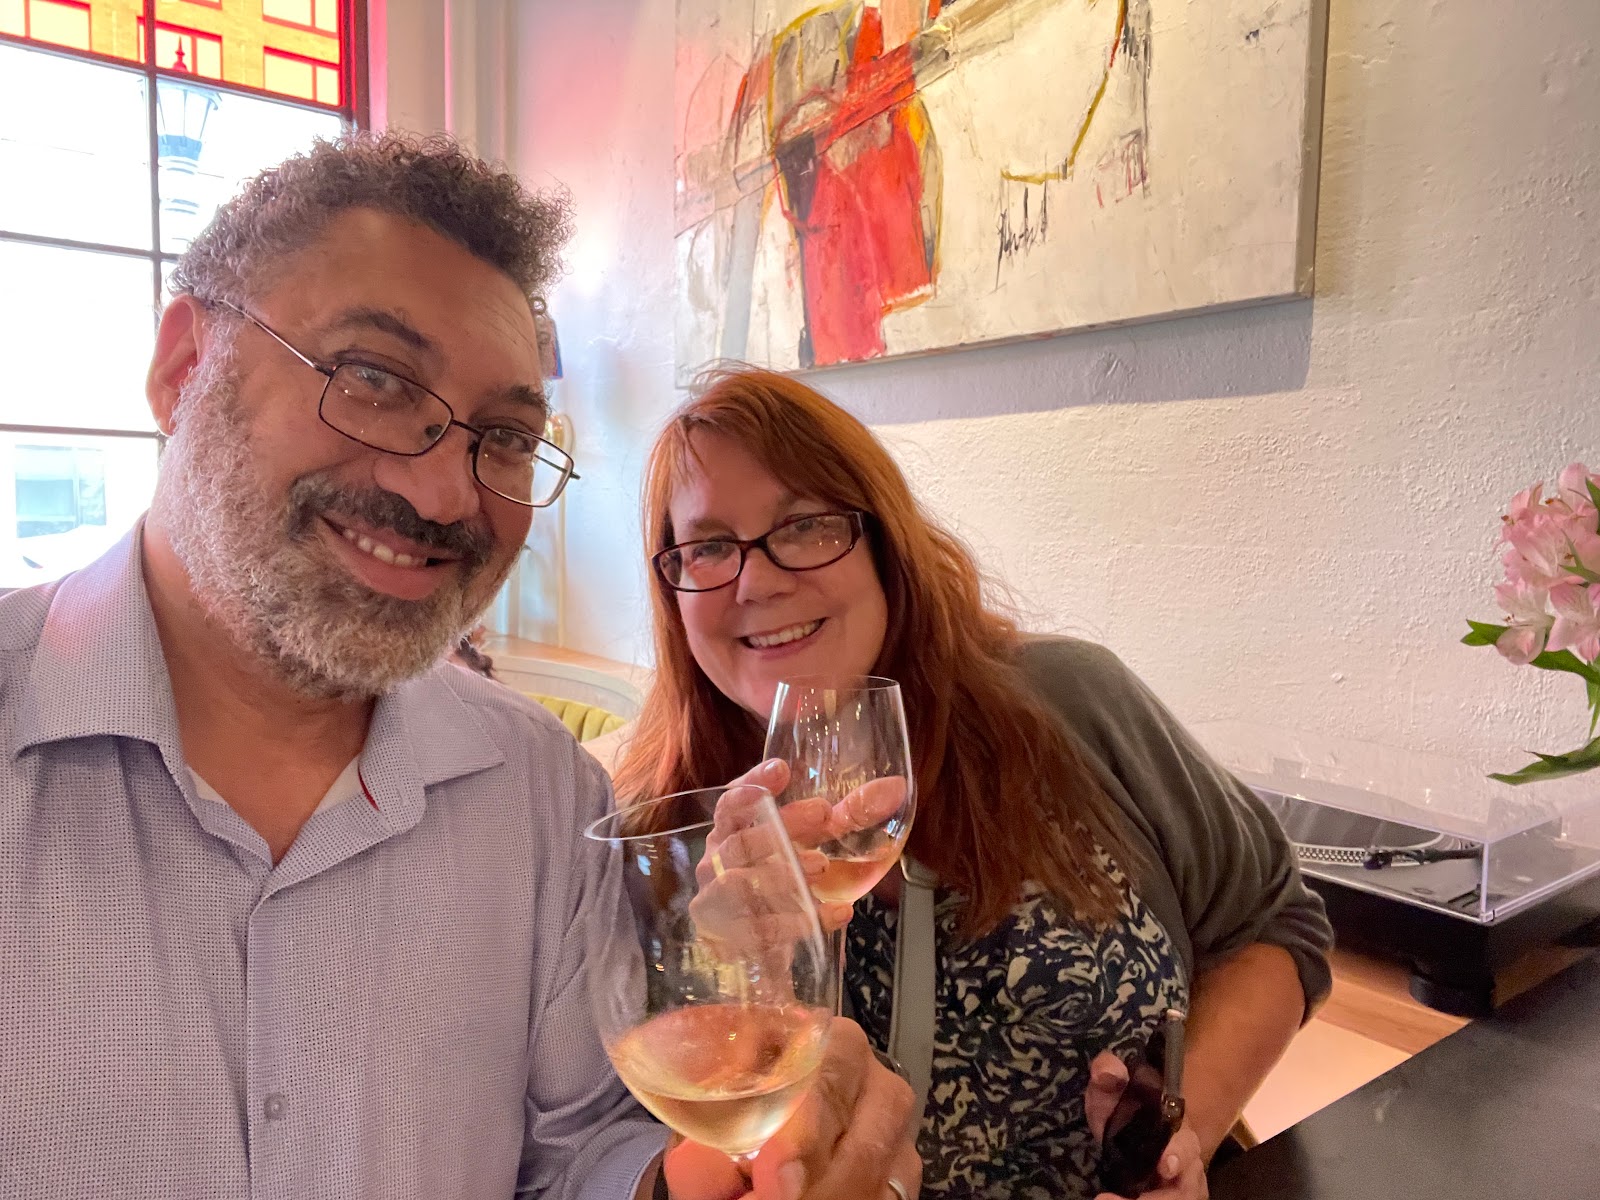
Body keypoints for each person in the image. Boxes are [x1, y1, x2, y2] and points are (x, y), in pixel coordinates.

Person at [0, 134, 918, 1200]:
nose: (443, 494)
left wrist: (717, 1176)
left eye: (507, 437)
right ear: (183, 368)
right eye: (375, 379)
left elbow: (581, 1155)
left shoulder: (541, 791)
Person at [611, 367, 1336, 1200]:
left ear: (884, 545)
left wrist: (1175, 1143)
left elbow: (1272, 926)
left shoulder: (1067, 705)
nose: (756, 580)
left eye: (804, 525)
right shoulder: (654, 844)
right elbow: (652, 1156)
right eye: (707, 546)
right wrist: (739, 974)